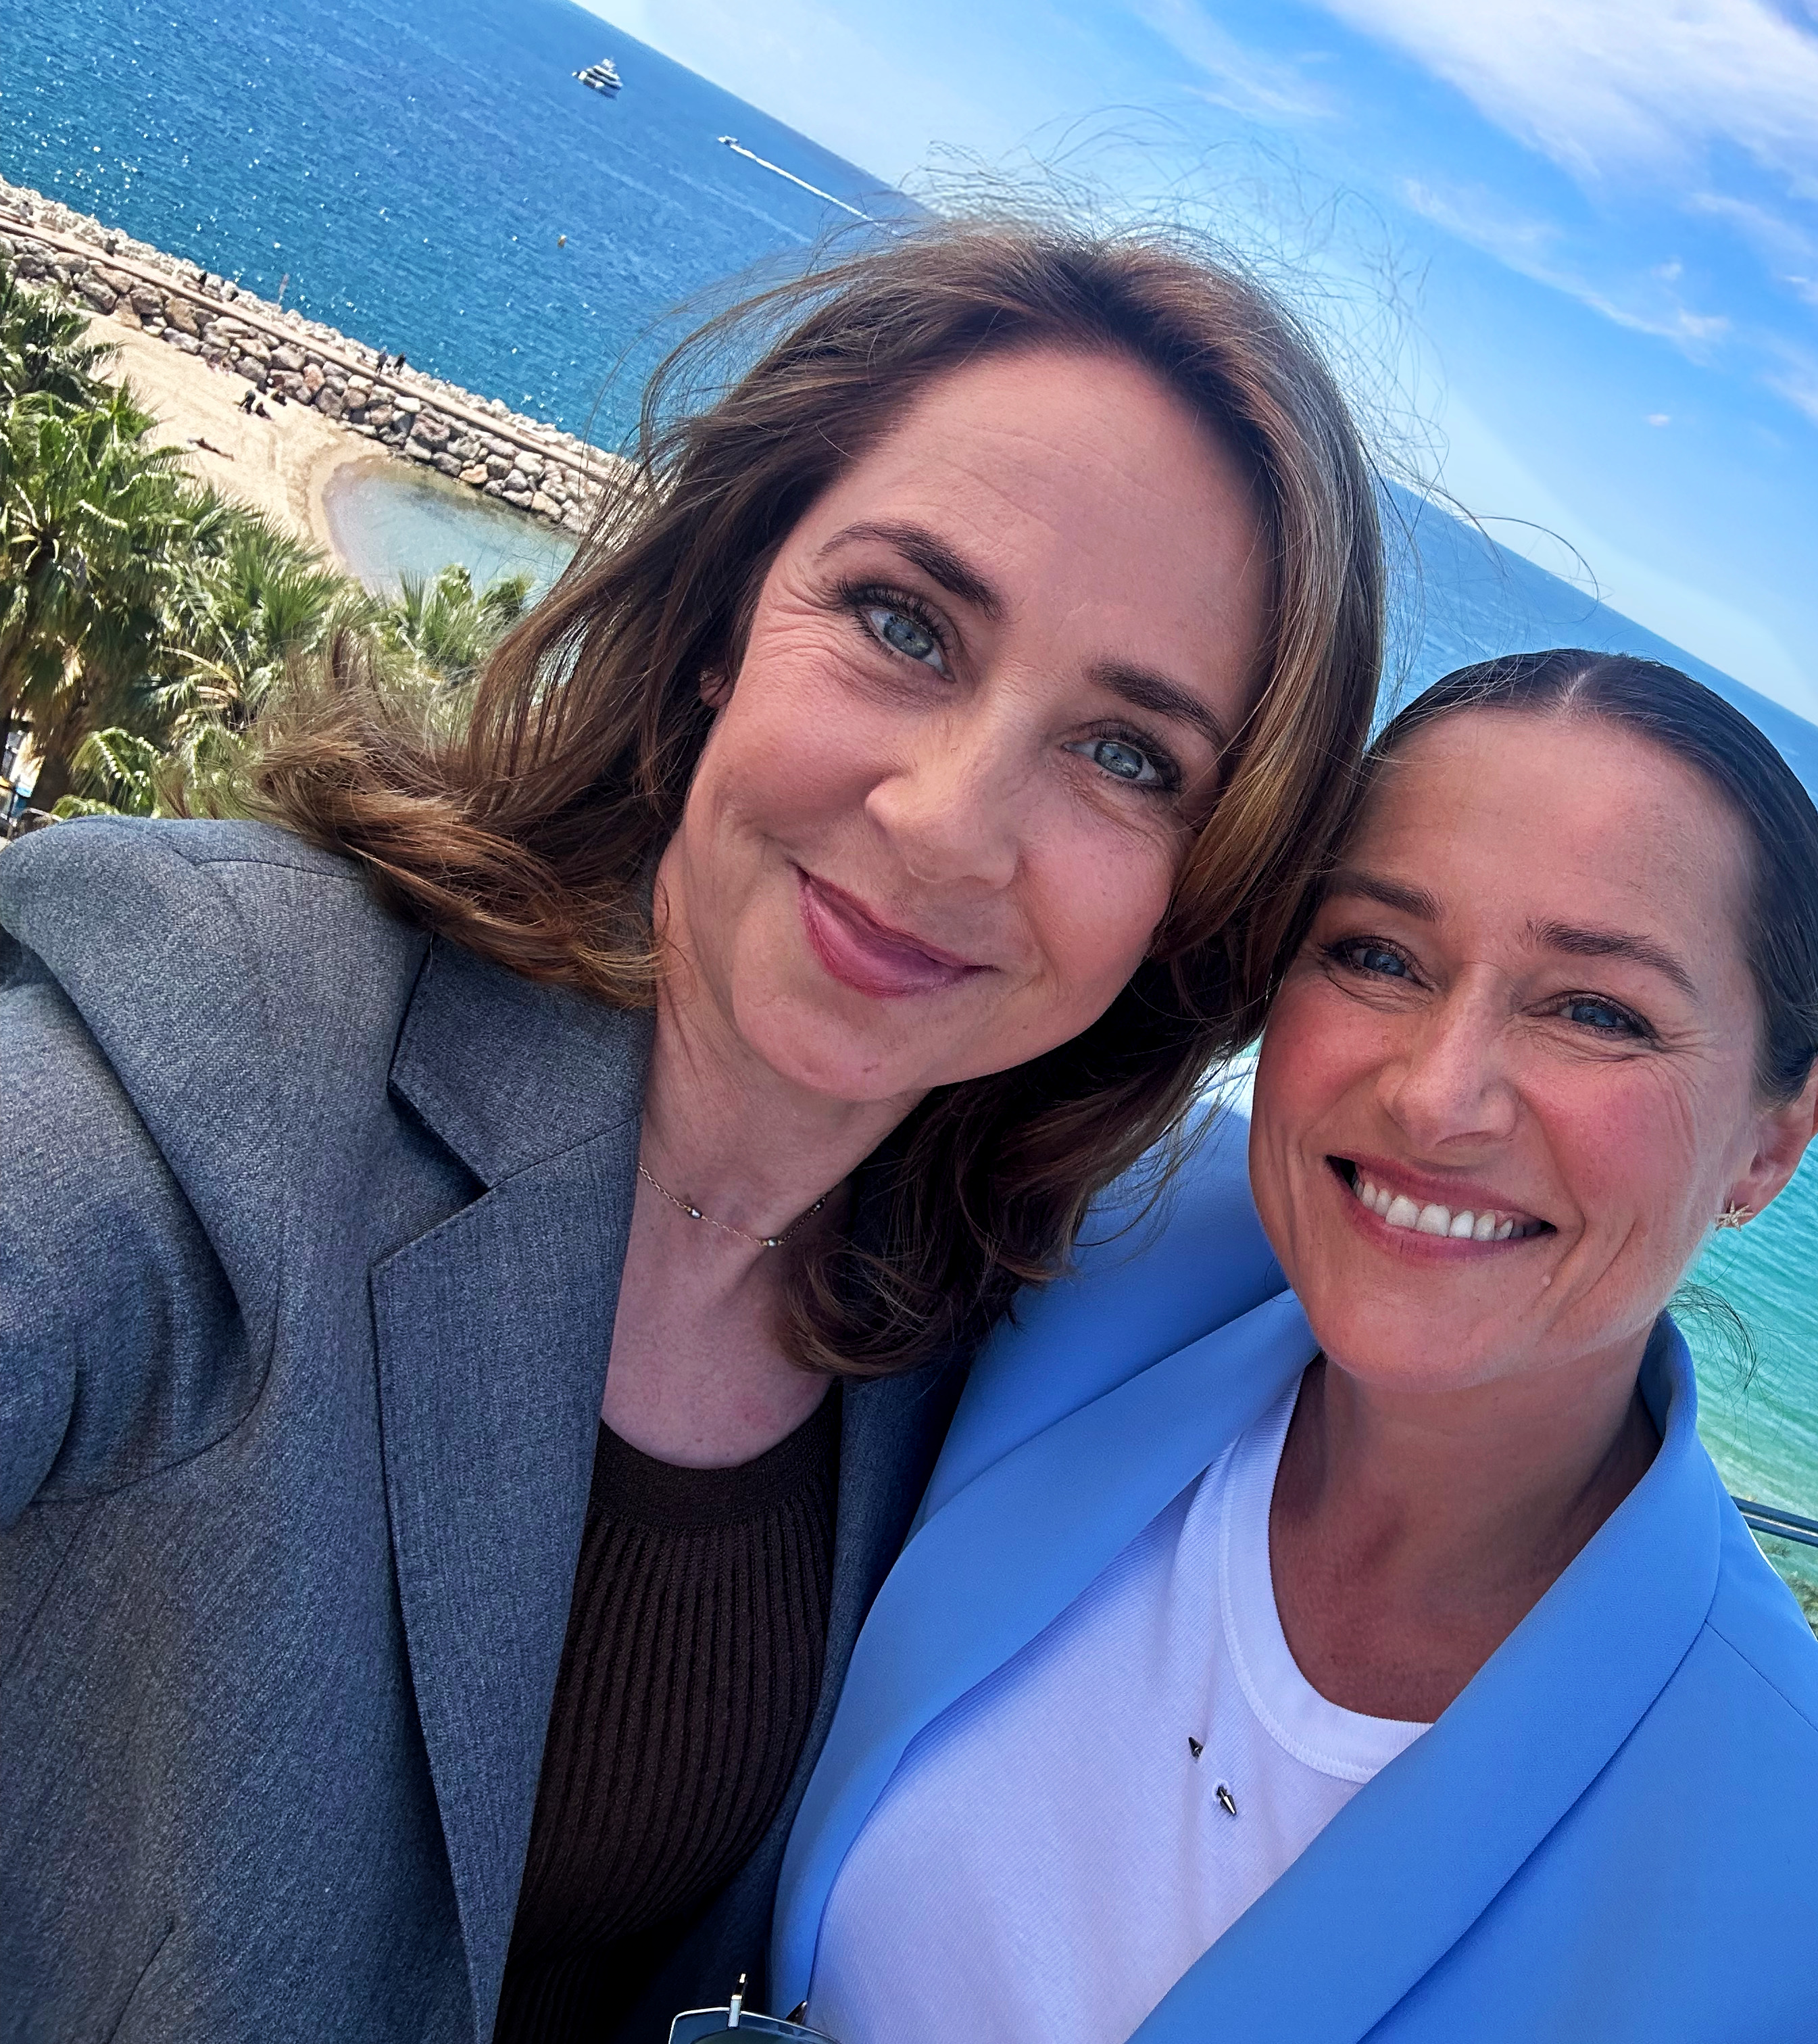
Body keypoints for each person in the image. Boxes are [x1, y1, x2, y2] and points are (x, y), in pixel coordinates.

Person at [0, 214, 1383, 2044]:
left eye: (1128, 755)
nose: (949, 823)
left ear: (1194, 894)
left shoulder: (978, 1322)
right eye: (905, 624)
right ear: (732, 614)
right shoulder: (205, 1070)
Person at [775, 650, 1818, 2042]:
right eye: (1377, 955)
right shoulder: (1084, 1230)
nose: (1438, 1097)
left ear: (1774, 1143)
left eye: (1598, 1011)